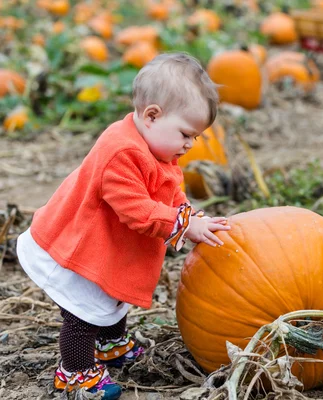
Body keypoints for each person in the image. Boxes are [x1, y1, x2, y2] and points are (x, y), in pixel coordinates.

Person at [16, 52, 231, 400]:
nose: (191, 144)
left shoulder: (157, 149)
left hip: (107, 248)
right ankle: (75, 371)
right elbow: (136, 210)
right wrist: (179, 224)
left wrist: (189, 216)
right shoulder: (121, 152)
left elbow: (169, 190)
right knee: (83, 312)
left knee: (112, 297)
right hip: (80, 248)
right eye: (186, 134)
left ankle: (111, 342)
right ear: (152, 116)